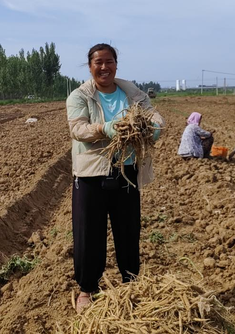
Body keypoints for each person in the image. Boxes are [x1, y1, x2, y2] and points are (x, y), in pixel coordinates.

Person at [66, 43, 164, 313]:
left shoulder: (132, 94)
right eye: (98, 62)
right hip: (91, 174)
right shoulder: (80, 96)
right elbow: (78, 129)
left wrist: (153, 127)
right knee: (89, 234)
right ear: (90, 66)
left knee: (128, 231)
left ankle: (130, 283)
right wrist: (104, 128)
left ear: (116, 65)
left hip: (126, 171)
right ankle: (87, 290)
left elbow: (153, 115)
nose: (104, 67)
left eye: (109, 61)